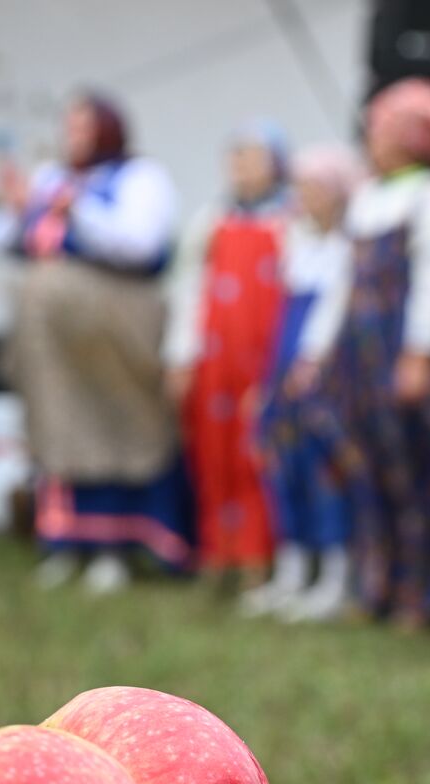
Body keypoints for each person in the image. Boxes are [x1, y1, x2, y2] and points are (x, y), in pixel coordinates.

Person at [0, 91, 188, 594]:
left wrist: (80, 213)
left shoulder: (141, 179)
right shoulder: (53, 178)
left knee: (111, 424)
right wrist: (15, 210)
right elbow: (0, 241)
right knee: (60, 425)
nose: (72, 137)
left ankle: (115, 549)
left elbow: (140, 245)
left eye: (83, 127)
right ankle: (65, 541)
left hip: (112, 325)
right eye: (69, 127)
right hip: (54, 340)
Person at [323, 78, 430, 629]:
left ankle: (420, 593)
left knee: (415, 472)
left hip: (398, 350)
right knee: (367, 467)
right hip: (359, 354)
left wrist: (420, 353)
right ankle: (376, 583)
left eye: (382, 131)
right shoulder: (368, 197)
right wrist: (320, 350)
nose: (372, 141)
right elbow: (344, 282)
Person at [167, 121, 291, 588]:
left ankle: (261, 555)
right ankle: (218, 551)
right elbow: (189, 289)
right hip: (215, 358)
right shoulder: (212, 221)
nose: (241, 167)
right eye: (234, 156)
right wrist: (181, 354)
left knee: (257, 452)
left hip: (264, 357)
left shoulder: (289, 221)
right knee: (213, 451)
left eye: (252, 156)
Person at [241, 145, 360, 622]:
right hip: (282, 377)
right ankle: (293, 569)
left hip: (322, 380)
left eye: (315, 190)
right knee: (282, 468)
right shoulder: (299, 247)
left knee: (323, 472)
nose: (305, 198)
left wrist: (312, 365)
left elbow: (334, 318)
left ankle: (335, 575)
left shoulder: (347, 250)